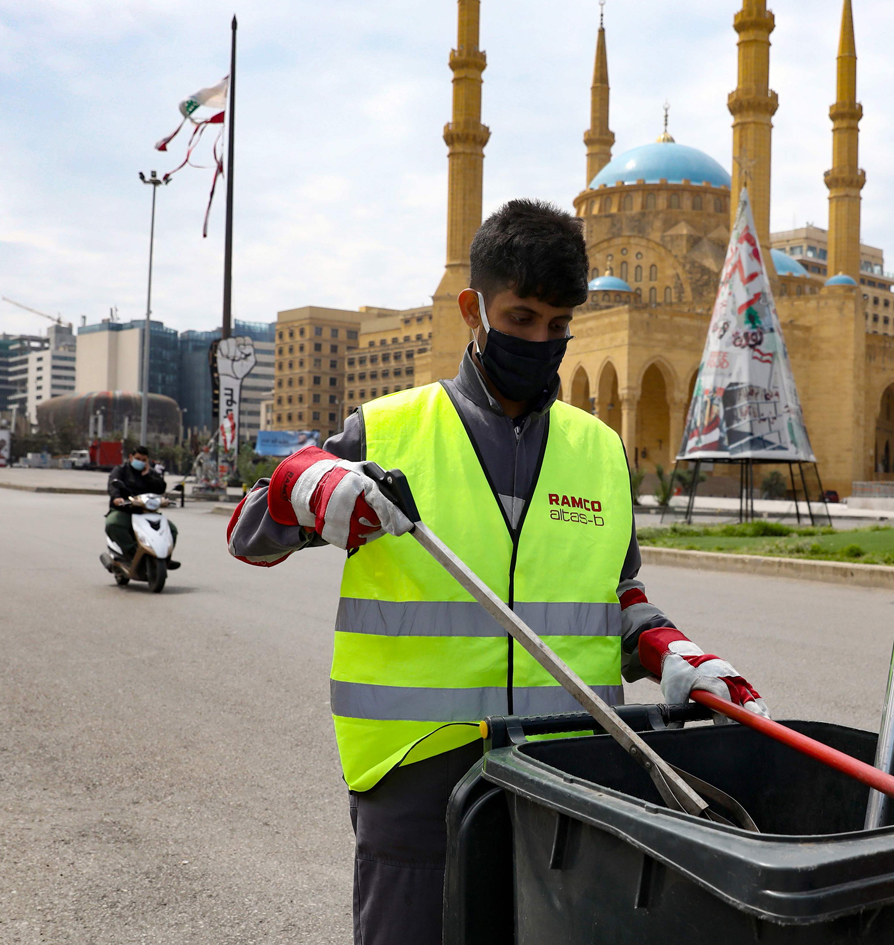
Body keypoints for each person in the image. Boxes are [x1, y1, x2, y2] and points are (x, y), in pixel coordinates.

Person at [225, 199, 766, 945]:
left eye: (557, 324)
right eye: (520, 319)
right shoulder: (389, 430)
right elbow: (248, 533)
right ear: (472, 309)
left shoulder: (598, 451)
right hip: (418, 779)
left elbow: (617, 599)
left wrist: (671, 651)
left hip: (569, 783)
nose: (540, 341)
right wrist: (309, 486)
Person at [105, 445, 179, 568]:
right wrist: (117, 498)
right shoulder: (121, 470)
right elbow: (113, 485)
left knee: (171, 530)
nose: (141, 462)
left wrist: (147, 476)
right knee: (113, 524)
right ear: (131, 457)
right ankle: (133, 554)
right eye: (138, 458)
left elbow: (161, 487)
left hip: (147, 511)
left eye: (144, 460)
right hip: (126, 510)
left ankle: (165, 558)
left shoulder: (151, 473)